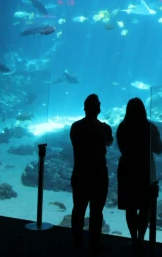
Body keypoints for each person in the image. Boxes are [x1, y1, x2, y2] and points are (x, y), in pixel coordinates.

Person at [116, 97, 162, 255]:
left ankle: (134, 239)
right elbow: (159, 149)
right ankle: (141, 239)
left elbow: (122, 148)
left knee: (130, 207)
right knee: (145, 207)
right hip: (145, 170)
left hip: (127, 170)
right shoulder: (151, 127)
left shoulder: (122, 127)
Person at [70, 94, 114, 252]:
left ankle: (77, 242)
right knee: (96, 211)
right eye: (99, 104)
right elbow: (109, 142)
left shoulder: (75, 127)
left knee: (78, 209)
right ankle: (95, 242)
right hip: (98, 175)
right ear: (98, 108)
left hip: (80, 172)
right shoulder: (104, 128)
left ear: (85, 108)